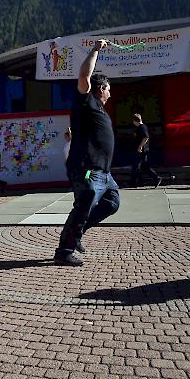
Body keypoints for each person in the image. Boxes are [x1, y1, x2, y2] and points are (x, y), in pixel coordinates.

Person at [56, 39, 120, 267]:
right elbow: (84, 77)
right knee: (85, 203)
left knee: (112, 203)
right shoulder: (86, 101)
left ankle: (79, 230)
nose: (111, 94)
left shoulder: (99, 109)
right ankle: (64, 251)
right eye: (109, 89)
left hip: (104, 172)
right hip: (86, 168)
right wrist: (95, 50)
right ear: (101, 89)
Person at [130, 113, 162, 188]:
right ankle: (156, 178)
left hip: (142, 150)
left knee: (136, 166)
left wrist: (140, 146)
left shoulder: (142, 127)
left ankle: (134, 183)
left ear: (135, 121)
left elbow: (146, 137)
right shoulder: (140, 128)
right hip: (142, 150)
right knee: (143, 167)